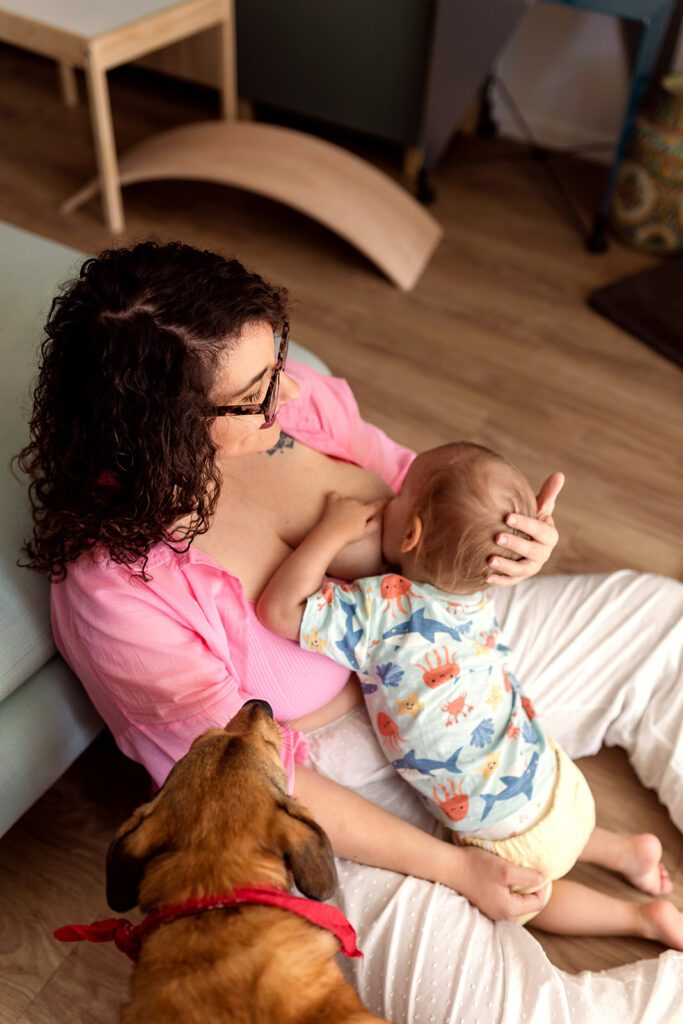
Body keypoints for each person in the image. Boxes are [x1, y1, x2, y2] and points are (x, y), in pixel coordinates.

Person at [17, 242, 683, 1023]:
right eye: (257, 393)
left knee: (662, 619)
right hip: (329, 784)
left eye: (280, 361)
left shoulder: (300, 407)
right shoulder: (117, 588)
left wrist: (503, 550)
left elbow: (426, 501)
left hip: (440, 655)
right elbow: (247, 791)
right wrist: (451, 871)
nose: (291, 390)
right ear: (161, 427)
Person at [256, 440, 682, 949]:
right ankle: (626, 853)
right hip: (554, 777)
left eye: (396, 498)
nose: (385, 500)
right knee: (541, 818)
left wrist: (331, 533)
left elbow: (279, 610)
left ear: (410, 534)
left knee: (530, 901)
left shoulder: (380, 612)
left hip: (501, 830)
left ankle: (639, 919)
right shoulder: (477, 594)